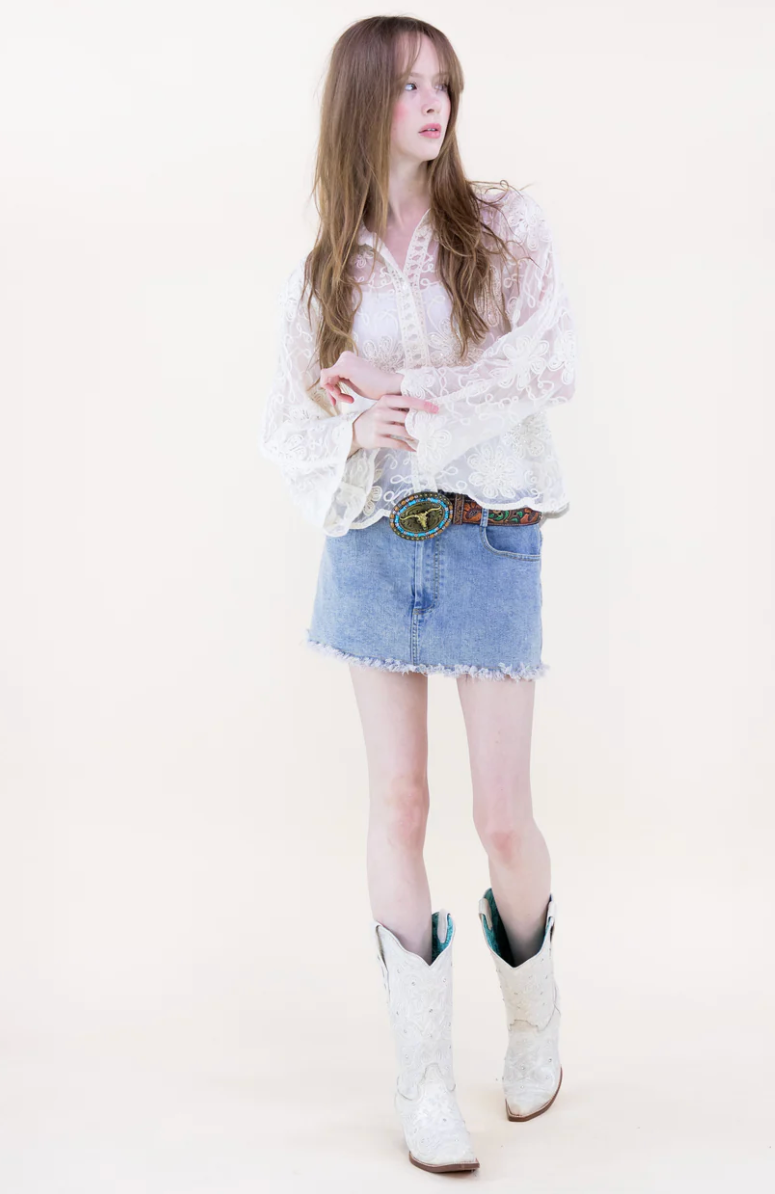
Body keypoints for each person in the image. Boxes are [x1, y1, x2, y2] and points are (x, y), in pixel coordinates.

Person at [258, 15, 576, 1175]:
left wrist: (413, 395)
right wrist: (357, 414)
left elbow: (551, 361)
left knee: (501, 817)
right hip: (375, 541)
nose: (432, 105)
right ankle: (426, 1081)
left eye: (443, 84)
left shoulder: (502, 225)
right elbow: (287, 423)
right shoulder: (324, 268)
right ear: (362, 106)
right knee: (397, 805)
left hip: (492, 537)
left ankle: (536, 1021)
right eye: (406, 88)